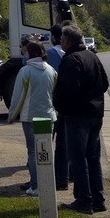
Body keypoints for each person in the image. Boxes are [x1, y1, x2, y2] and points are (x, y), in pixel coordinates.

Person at [54, 24, 109, 215]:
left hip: (77, 116)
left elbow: (68, 90)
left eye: (62, 39)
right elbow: (105, 83)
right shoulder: (93, 56)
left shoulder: (70, 59)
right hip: (95, 114)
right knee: (93, 158)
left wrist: (60, 106)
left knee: (78, 159)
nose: (60, 42)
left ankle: (84, 201)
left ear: (67, 41)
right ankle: (98, 200)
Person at [6, 40, 57, 196]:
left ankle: (35, 186)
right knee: (46, 150)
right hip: (49, 116)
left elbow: (17, 97)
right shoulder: (51, 70)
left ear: (29, 53)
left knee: (33, 152)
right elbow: (54, 94)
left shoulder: (25, 71)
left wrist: (12, 115)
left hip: (30, 117)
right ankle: (47, 183)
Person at [46, 24, 68, 191]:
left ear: (54, 37)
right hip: (68, 100)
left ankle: (50, 169)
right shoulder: (69, 53)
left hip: (53, 99)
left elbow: (27, 60)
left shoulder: (51, 53)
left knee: (50, 136)